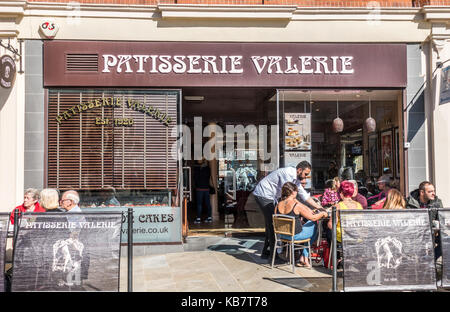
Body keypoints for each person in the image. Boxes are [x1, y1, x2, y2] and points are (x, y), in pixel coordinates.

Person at [253, 161, 322, 262]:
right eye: (305, 174)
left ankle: (266, 252)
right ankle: (273, 256)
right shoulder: (288, 174)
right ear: (299, 170)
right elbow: (291, 197)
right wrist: (306, 209)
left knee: (270, 223)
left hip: (270, 196)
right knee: (273, 224)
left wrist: (319, 207)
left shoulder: (296, 178)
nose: (306, 177)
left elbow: (304, 195)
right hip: (263, 194)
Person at [275, 182, 328, 268]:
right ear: (293, 192)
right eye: (296, 191)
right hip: (294, 236)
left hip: (282, 235)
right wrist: (322, 214)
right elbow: (313, 218)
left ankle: (304, 257)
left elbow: (284, 219)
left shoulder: (278, 205)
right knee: (314, 225)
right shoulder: (296, 205)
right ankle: (304, 257)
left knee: (308, 227)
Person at [406, 181, 443, 260]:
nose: (433, 193)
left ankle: (431, 259)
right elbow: (406, 221)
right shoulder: (409, 202)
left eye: (434, 191)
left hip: (431, 232)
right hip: (414, 234)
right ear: (422, 192)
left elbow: (441, 220)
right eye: (430, 191)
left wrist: (436, 226)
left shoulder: (437, 202)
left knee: (446, 240)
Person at [193, 158, 213, 224]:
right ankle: (209, 218)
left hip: (199, 189)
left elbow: (195, 178)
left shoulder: (197, 168)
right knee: (208, 204)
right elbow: (209, 177)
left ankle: (198, 219)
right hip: (206, 188)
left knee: (199, 204)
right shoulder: (208, 168)